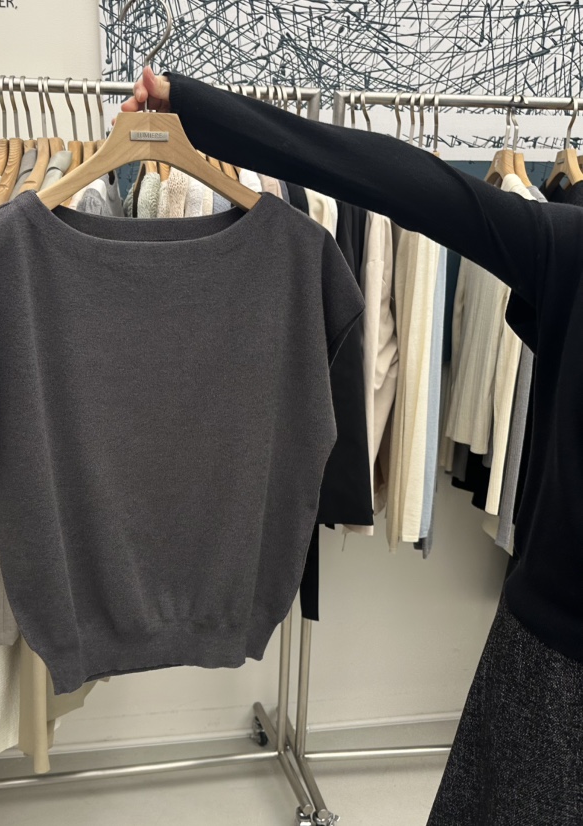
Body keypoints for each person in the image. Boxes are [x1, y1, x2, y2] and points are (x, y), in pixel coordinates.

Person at [123, 68, 583, 825]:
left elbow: (400, 180)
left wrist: (196, 106)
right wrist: (200, 108)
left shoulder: (570, 248)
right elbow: (395, 178)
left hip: (553, 668)